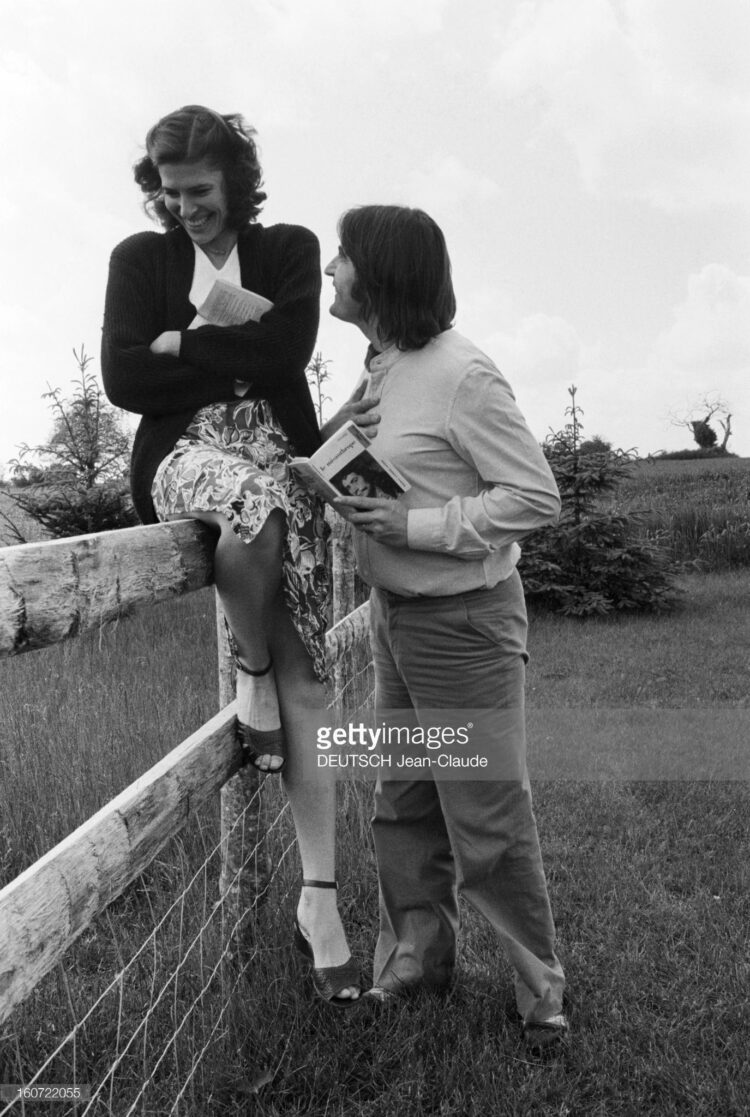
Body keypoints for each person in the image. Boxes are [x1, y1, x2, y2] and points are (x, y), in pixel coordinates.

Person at [102, 105, 372, 1006]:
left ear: (236, 183)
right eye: (171, 193)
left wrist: (182, 344)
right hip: (186, 458)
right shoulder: (139, 263)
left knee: (314, 676)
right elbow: (124, 378)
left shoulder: (290, 247)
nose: (185, 208)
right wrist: (229, 359)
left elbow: (290, 348)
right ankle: (247, 666)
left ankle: (320, 901)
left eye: (201, 192)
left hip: (283, 453)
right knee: (249, 515)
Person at [324, 205, 568, 1050]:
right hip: (396, 619)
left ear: (382, 273)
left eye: (344, 255)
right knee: (402, 803)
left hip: (463, 622)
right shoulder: (383, 369)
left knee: (488, 815)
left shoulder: (463, 372)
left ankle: (542, 997)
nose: (329, 267)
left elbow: (535, 495)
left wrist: (416, 529)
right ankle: (419, 959)